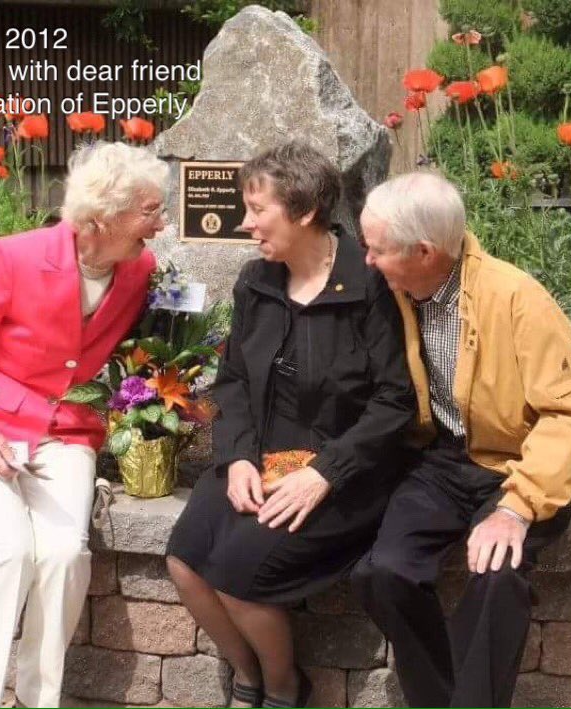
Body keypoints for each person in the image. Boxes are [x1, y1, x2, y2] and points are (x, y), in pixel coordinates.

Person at [166, 141, 416, 708]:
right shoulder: (257, 280)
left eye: (259, 210)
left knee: (237, 573)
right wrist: (234, 460)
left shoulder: (368, 285)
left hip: (341, 472)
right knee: (184, 558)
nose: (247, 223)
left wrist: (327, 472)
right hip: (262, 460)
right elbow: (231, 381)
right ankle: (247, 678)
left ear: (303, 212)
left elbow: (395, 401)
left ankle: (285, 688)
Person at [350, 171, 571, 707]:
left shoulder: (516, 298)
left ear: (423, 251)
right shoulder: (394, 290)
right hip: (445, 461)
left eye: (376, 249)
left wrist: (516, 509)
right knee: (382, 572)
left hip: (521, 465)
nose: (367, 259)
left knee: (497, 579)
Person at [0, 141, 168, 708]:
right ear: (103, 216)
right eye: (151, 212)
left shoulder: (139, 269)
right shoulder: (12, 258)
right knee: (6, 553)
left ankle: (39, 700)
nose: (160, 225)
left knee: (62, 556)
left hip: (65, 432)